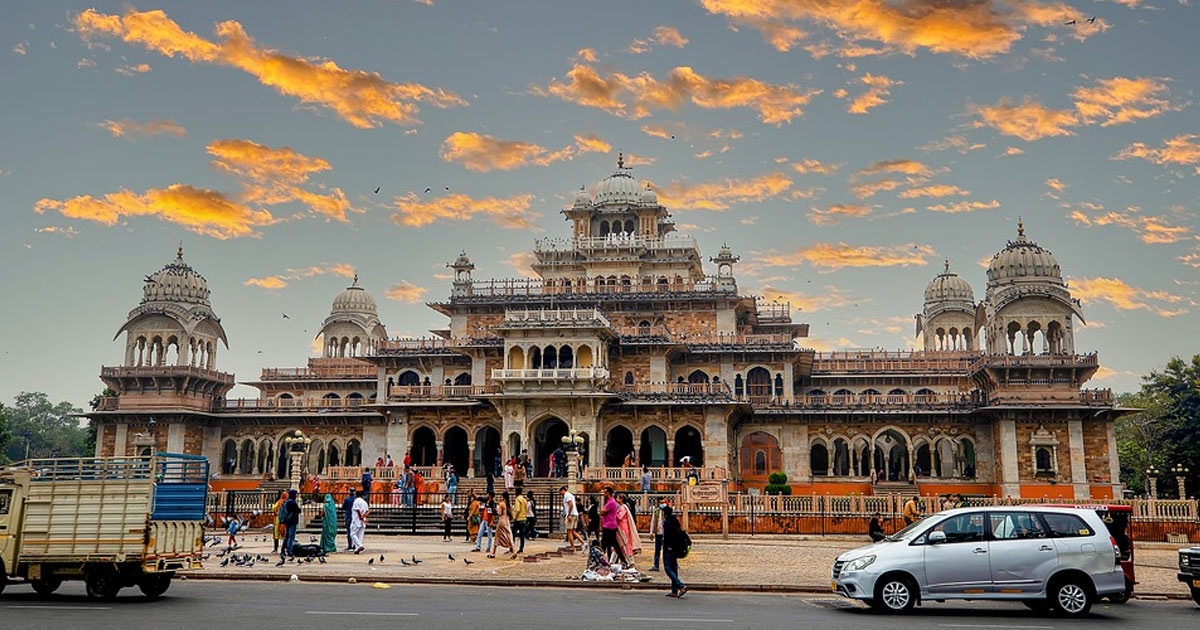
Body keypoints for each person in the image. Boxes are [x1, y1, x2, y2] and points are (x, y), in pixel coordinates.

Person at [661, 505, 688, 598]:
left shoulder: (667, 522)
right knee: (673, 567)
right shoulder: (675, 521)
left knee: (668, 568)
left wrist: (665, 545)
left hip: (669, 547)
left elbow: (668, 536)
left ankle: (680, 586)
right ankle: (674, 590)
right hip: (675, 547)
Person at [599, 486, 627, 565]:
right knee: (611, 543)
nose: (604, 493)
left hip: (609, 525)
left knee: (608, 543)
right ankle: (622, 559)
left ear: (608, 493)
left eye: (605, 492)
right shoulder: (609, 501)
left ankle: (600, 558)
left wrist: (602, 513)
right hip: (609, 525)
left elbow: (602, 511)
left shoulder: (611, 502)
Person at [615, 493, 642, 565]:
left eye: (618, 498)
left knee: (626, 544)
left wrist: (613, 514)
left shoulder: (623, 507)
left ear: (621, 499)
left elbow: (620, 517)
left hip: (623, 528)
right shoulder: (621, 507)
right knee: (619, 545)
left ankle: (631, 561)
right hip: (621, 527)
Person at [490, 492, 516, 559]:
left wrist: (495, 510)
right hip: (507, 521)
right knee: (509, 535)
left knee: (497, 536)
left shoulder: (502, 504)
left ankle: (493, 553)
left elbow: (499, 513)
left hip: (501, 521)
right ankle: (514, 551)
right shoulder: (509, 504)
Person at [649, 497, 671, 571]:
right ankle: (656, 565)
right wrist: (651, 532)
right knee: (657, 550)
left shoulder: (667, 511)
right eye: (661, 503)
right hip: (658, 533)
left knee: (668, 550)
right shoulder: (656, 511)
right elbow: (653, 521)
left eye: (663, 503)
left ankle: (671, 564)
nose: (662, 504)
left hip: (666, 534)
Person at [280, 488, 301, 559]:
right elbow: (298, 510)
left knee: (287, 536)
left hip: (287, 520)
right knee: (291, 536)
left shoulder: (287, 501)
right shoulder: (292, 502)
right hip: (292, 521)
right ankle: (289, 550)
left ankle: (283, 549)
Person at [560, 485, 582, 551]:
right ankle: (583, 542)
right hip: (574, 514)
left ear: (563, 490)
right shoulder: (570, 495)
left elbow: (570, 504)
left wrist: (568, 515)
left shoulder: (567, 495)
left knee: (569, 531)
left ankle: (573, 546)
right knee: (573, 531)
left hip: (571, 515)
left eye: (560, 492)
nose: (560, 494)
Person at [350, 489, 369, 554]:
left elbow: (358, 510)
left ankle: (359, 545)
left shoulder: (356, 501)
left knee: (352, 534)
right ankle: (357, 548)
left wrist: (361, 516)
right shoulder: (364, 502)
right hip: (363, 520)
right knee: (360, 535)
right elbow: (367, 511)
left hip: (356, 520)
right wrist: (364, 517)